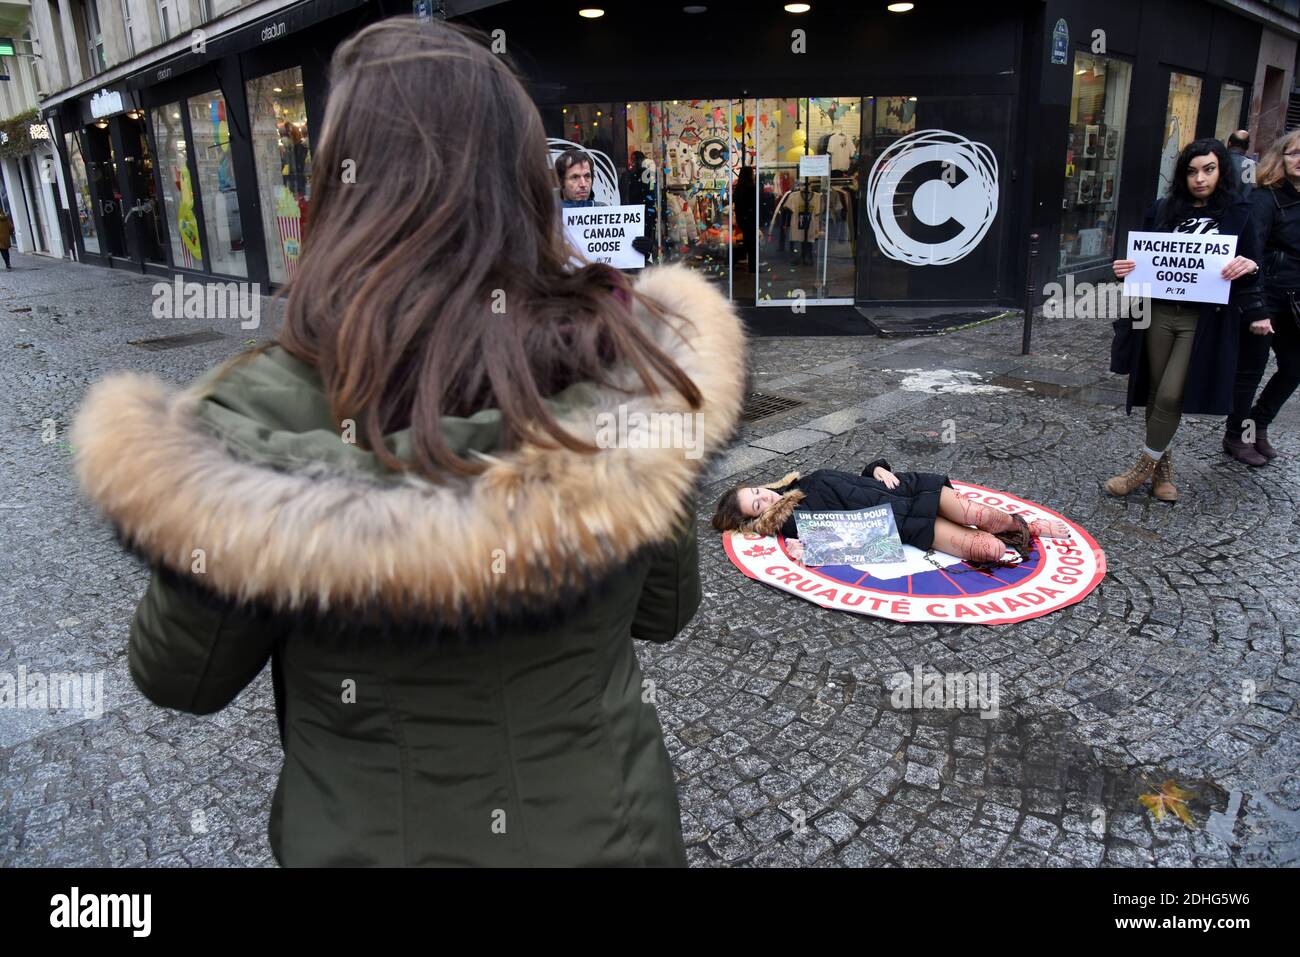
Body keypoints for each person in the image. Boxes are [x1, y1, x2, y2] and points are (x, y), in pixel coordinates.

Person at [70, 17, 746, 867]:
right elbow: (664, 610)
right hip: (614, 833)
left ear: (343, 193)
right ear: (525, 187)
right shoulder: (628, 372)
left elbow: (183, 677)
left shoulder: (254, 422)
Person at [1108, 138, 1264, 499]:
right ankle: (1162, 475)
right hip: (1158, 313)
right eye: (1192, 171)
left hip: (1203, 319)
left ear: (1221, 170)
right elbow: (1144, 260)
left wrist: (1251, 266)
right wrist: (1124, 269)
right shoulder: (1162, 209)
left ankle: (1140, 469)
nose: (1200, 178)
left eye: (1208, 169)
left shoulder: (1239, 213)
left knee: (1172, 393)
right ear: (1182, 175)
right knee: (1156, 390)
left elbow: (1253, 267)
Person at [711, 459, 1071, 567]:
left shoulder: (802, 479)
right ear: (753, 520)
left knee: (986, 516)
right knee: (988, 551)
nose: (765, 498)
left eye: (758, 491)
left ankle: (1031, 527)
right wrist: (807, 551)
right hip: (902, 525)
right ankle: (1017, 535)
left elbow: (854, 477)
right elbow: (836, 541)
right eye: (757, 505)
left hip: (908, 491)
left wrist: (877, 468)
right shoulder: (789, 524)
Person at [1227, 129, 1300, 463]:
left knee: (1294, 368)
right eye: (1294, 153)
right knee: (1250, 372)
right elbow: (1250, 251)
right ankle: (1237, 436)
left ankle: (1259, 424)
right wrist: (1256, 307)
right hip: (1266, 296)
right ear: (1280, 157)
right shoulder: (1264, 197)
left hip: (1296, 300)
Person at [556, 147, 652, 255]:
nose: (583, 184)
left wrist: (640, 249)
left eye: (587, 176)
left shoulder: (604, 211)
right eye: (575, 177)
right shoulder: (549, 217)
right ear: (561, 181)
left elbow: (619, 256)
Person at [1227, 130, 1256, 196]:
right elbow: (1248, 192)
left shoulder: (1217, 159)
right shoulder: (1250, 165)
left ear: (1229, 143)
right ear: (1247, 146)